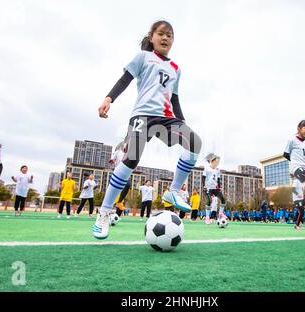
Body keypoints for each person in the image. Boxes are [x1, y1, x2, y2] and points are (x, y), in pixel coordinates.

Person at [93, 20, 202, 239]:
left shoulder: (176, 69)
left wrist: (183, 123)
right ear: (151, 37)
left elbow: (175, 99)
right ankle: (104, 212)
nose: (165, 38)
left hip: (166, 119)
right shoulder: (143, 57)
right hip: (142, 116)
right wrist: (109, 98)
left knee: (194, 142)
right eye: (161, 34)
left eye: (169, 35)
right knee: (131, 160)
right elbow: (126, 79)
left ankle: (173, 190)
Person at [202, 153, 227, 225]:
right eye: (216, 162)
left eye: (218, 162)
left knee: (223, 199)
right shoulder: (206, 168)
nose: (217, 163)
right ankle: (207, 217)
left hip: (215, 188)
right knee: (209, 201)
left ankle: (220, 214)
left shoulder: (217, 170)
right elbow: (203, 177)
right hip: (208, 188)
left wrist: (219, 186)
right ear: (212, 161)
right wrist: (204, 185)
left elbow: (218, 179)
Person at [110, 140, 132, 217]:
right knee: (114, 192)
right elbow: (112, 159)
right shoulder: (118, 152)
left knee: (128, 184)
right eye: (126, 146)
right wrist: (112, 161)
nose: (127, 147)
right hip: (118, 173)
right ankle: (116, 204)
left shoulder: (129, 155)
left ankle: (119, 203)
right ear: (123, 146)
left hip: (126, 174)